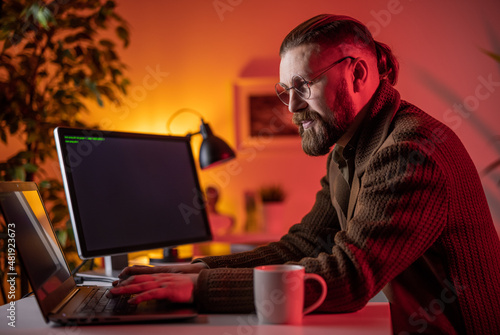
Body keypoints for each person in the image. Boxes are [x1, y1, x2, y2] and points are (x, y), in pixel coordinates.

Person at [109, 14, 500, 334]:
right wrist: (198, 268)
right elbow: (304, 246)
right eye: (285, 90)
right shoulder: (350, 146)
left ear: (357, 75)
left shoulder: (409, 152)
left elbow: (349, 278)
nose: (292, 106)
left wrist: (198, 288)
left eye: (303, 85)